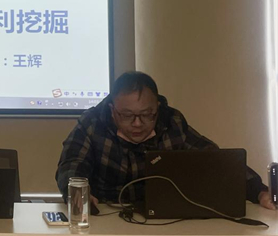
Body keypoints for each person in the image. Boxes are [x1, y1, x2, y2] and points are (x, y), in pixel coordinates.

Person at [55, 71, 276, 210]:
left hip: (162, 216)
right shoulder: (92, 123)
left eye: (147, 114)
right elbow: (72, 164)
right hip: (104, 214)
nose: (138, 123)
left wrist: (258, 191)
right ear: (113, 110)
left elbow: (215, 161)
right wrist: (78, 194)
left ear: (157, 107)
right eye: (127, 115)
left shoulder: (172, 122)